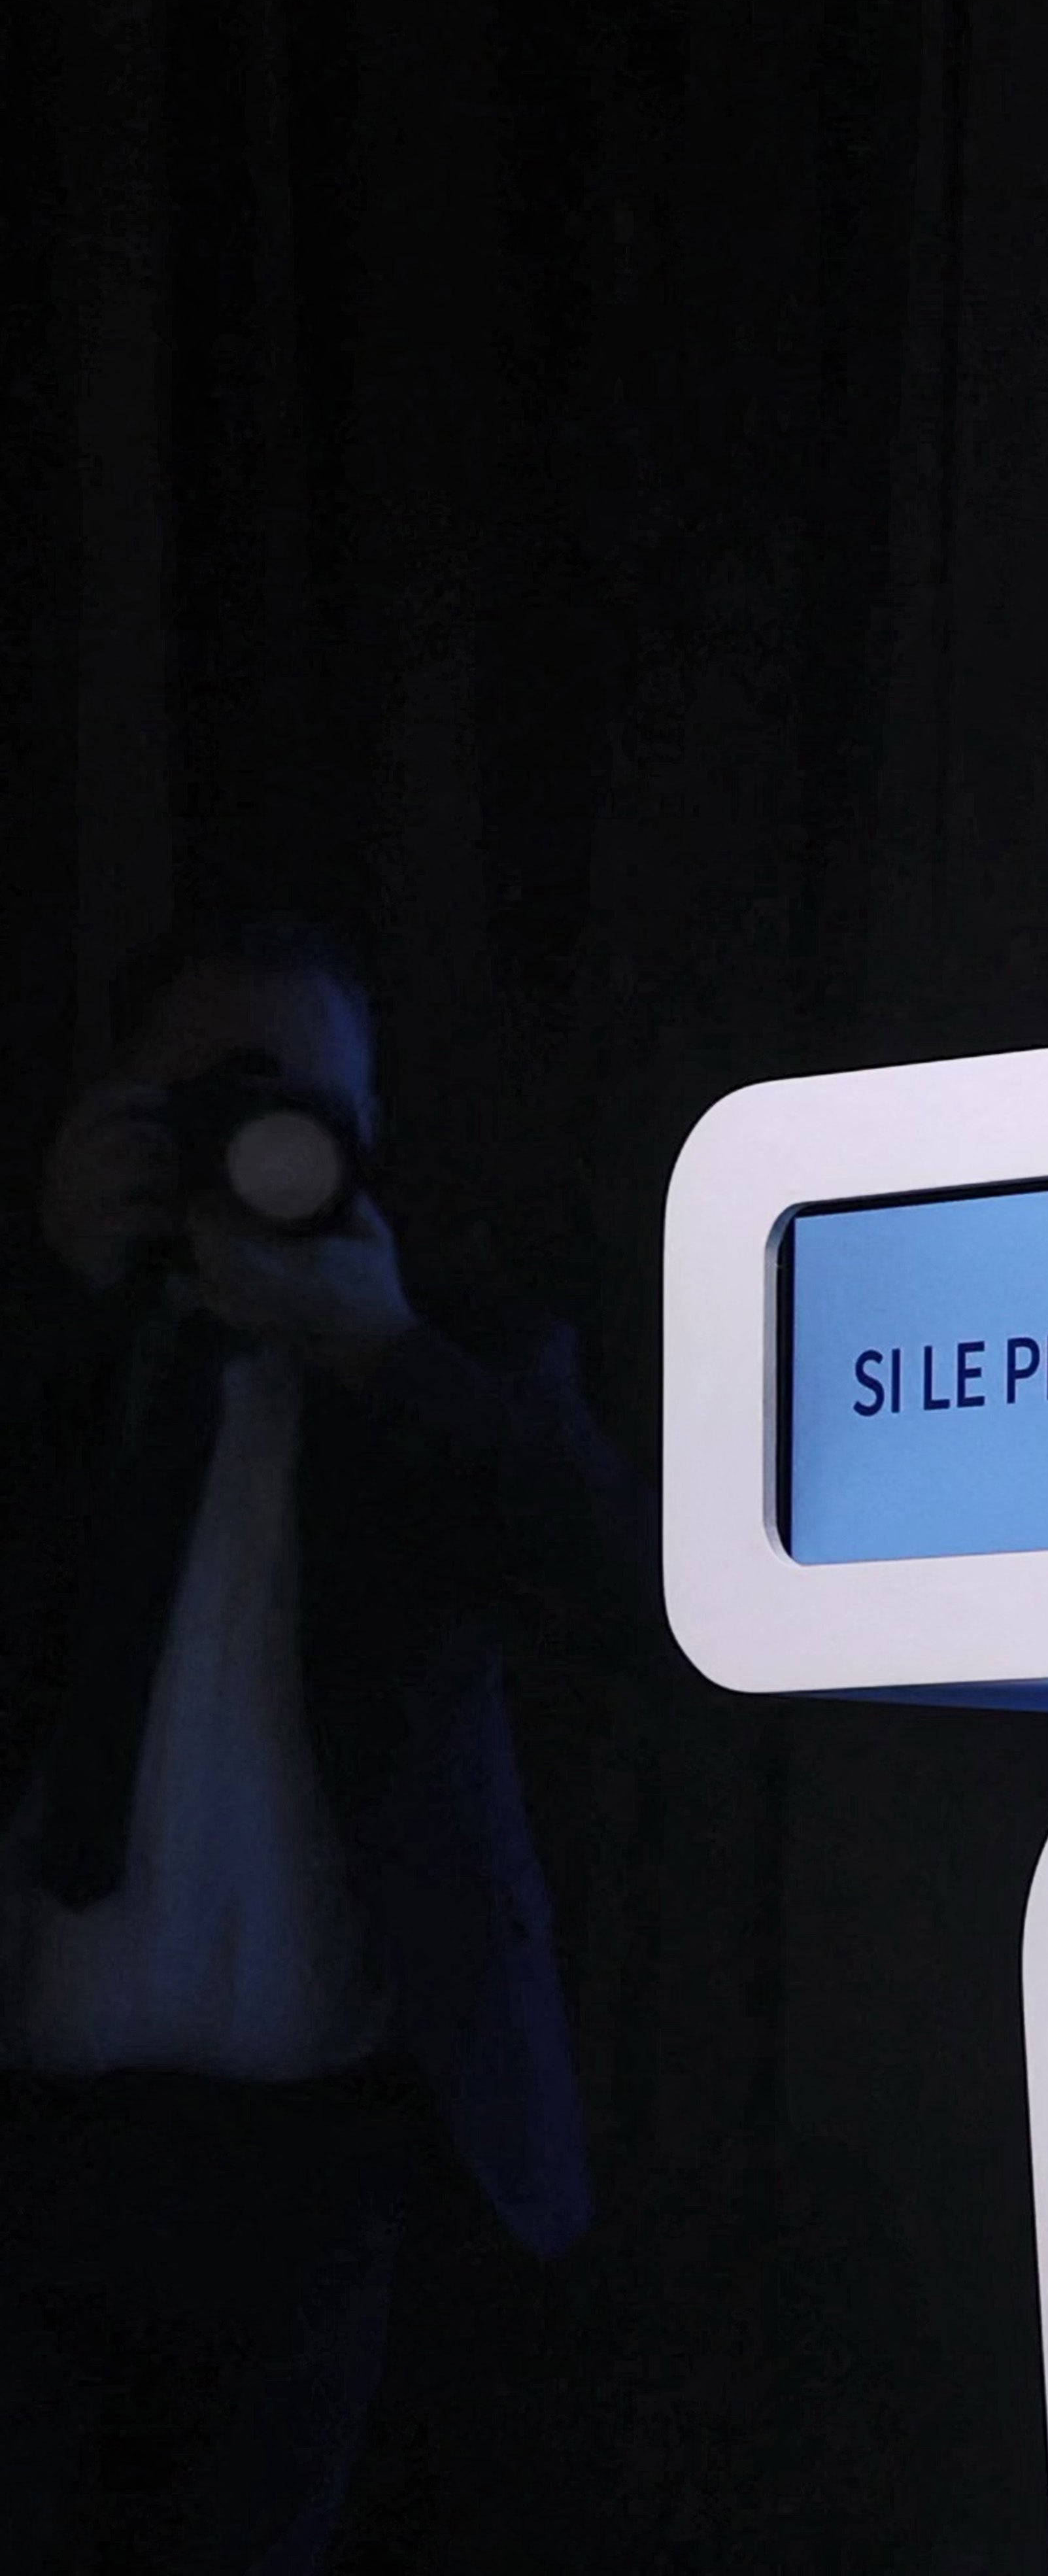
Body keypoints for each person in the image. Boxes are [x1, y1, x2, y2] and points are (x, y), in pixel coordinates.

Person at [0, 913, 645, 2575]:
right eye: (207, 1095)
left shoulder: (456, 1355)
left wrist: (386, 1352)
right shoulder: (51, 1353)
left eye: (304, 1097)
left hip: (322, 2162)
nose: (252, 1134)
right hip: (34, 2150)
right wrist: (65, 1300)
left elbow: (630, 1599)